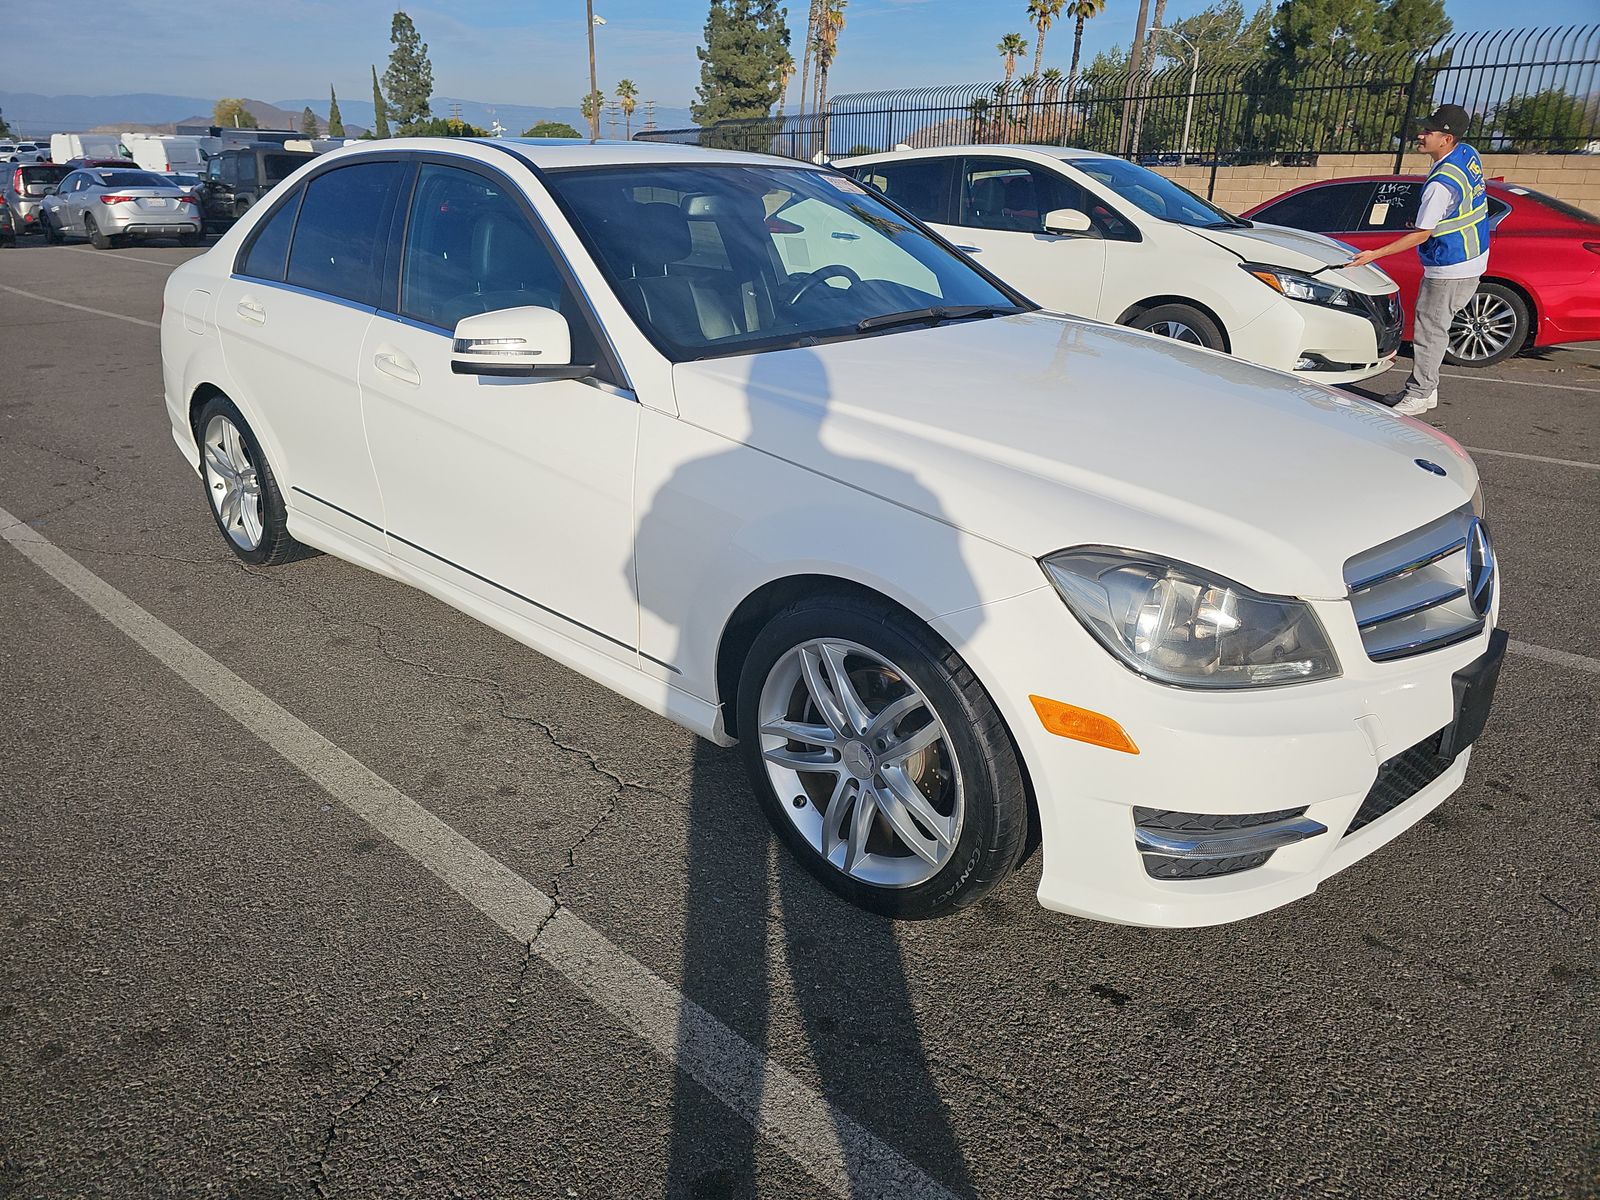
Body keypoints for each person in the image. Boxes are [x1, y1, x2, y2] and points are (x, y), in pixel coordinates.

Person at [1346, 104, 1490, 417]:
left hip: (1450, 263)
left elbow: (1421, 235)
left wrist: (1373, 254)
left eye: (1429, 131)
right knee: (1436, 327)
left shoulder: (1440, 184)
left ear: (1447, 139)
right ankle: (1427, 386)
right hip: (1473, 255)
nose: (1420, 135)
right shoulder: (1467, 154)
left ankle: (1419, 393)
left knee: (1430, 331)